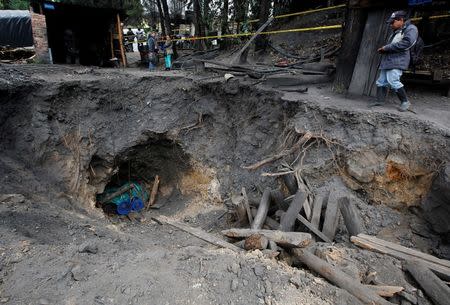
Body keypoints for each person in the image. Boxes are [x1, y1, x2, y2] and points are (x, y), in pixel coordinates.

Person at [371, 10, 418, 112]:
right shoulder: (398, 30)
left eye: (393, 22)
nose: (391, 25)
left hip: (398, 60)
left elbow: (407, 43)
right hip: (389, 60)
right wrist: (385, 50)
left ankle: (405, 102)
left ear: (401, 20)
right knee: (381, 81)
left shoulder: (411, 29)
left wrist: (386, 48)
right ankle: (380, 100)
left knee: (393, 80)